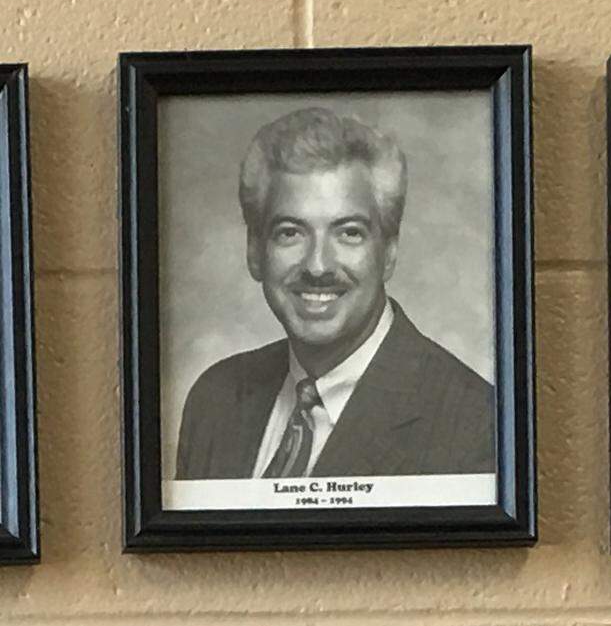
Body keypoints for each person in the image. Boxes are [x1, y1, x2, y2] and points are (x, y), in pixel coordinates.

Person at [175, 107, 495, 480]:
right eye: (290, 232)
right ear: (254, 252)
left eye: (349, 232)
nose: (318, 266)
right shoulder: (215, 399)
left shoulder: (476, 423)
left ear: (389, 252)